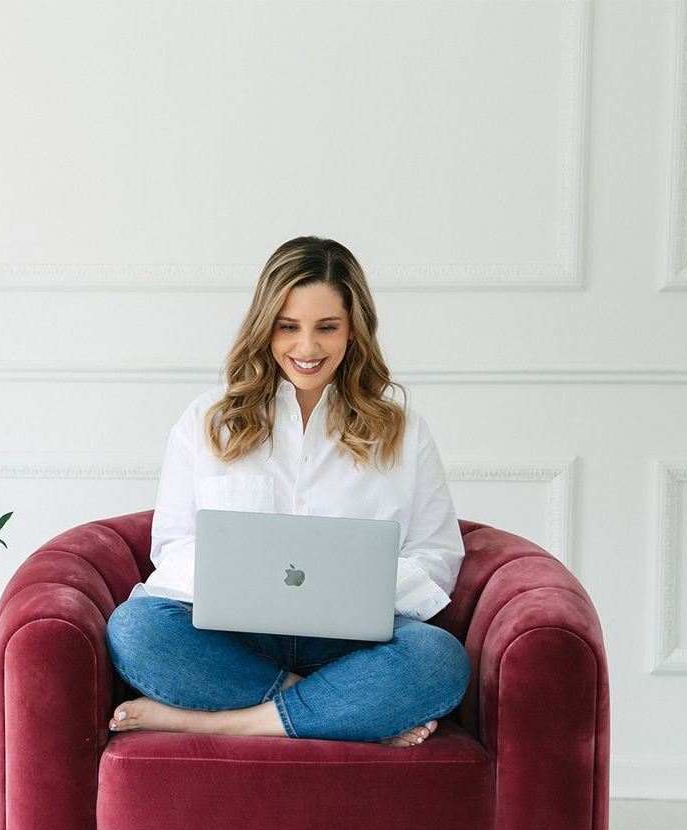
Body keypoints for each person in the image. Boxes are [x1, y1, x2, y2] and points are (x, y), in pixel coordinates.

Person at [105, 236, 471, 747]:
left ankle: (215, 721)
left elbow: (436, 554)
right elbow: (173, 546)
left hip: (352, 647)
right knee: (135, 628)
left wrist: (356, 590)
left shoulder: (402, 430)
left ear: (353, 332)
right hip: (236, 641)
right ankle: (339, 711)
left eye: (327, 327)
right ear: (265, 328)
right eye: (288, 327)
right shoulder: (207, 421)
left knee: (438, 659)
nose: (307, 348)